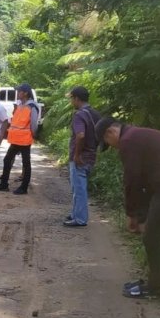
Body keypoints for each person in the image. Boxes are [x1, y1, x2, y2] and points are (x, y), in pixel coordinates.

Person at [95, 117, 160, 298]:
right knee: (153, 233)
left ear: (110, 132)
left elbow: (132, 181)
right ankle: (154, 281)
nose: (112, 147)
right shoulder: (136, 136)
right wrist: (141, 215)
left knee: (152, 236)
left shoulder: (128, 141)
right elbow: (144, 182)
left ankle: (154, 288)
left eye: (108, 143)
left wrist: (131, 215)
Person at [64, 86, 101, 227]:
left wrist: (77, 154)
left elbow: (80, 135)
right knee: (78, 187)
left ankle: (80, 218)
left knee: (79, 188)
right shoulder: (95, 114)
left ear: (77, 98)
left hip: (81, 157)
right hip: (91, 155)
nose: (71, 102)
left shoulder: (79, 115)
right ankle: (75, 213)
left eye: (72, 98)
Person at [0, 83, 39, 195]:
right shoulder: (20, 105)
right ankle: (4, 184)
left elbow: (34, 125)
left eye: (19, 91)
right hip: (16, 140)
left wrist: (33, 136)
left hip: (24, 140)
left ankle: (23, 188)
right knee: (7, 160)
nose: (17, 93)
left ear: (26, 93)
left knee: (26, 163)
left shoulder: (32, 106)